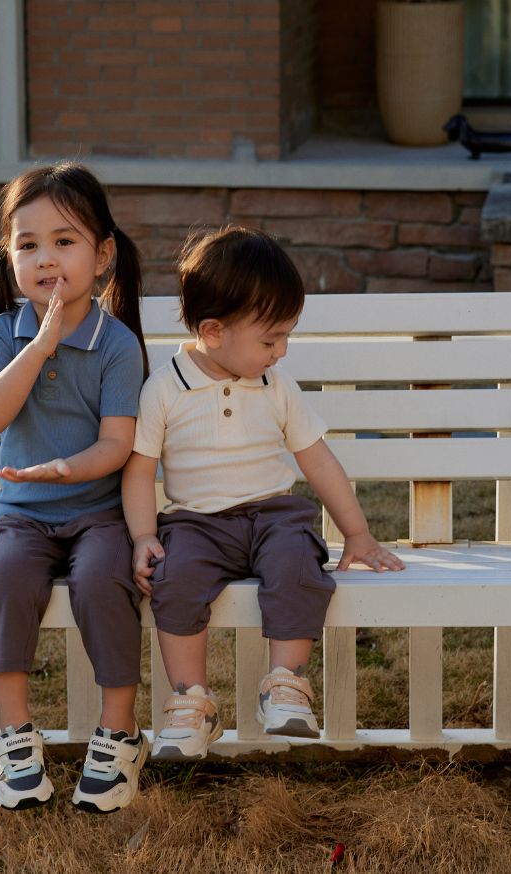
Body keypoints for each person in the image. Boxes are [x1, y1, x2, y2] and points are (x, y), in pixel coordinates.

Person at [122, 225, 405, 760]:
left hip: (274, 517)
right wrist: (142, 535)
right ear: (212, 331)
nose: (282, 351)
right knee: (173, 580)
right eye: (270, 339)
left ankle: (285, 683)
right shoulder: (164, 388)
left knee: (300, 566)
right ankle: (189, 703)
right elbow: (139, 471)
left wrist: (358, 534)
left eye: (287, 336)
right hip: (195, 522)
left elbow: (316, 459)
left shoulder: (278, 388)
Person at [0, 163, 150, 812]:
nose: (46, 258)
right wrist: (40, 344)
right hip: (22, 519)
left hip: (99, 514)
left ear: (102, 256)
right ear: (9, 257)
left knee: (106, 582)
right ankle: (16, 737)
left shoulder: (116, 345)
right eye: (28, 244)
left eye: (64, 241)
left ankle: (119, 732)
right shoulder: (2, 334)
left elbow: (116, 445)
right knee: (9, 580)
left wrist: (62, 470)